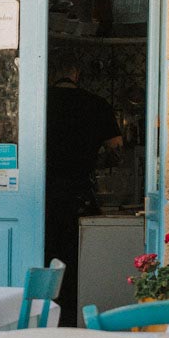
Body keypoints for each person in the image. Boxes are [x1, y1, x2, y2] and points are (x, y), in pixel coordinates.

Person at [44, 59, 122, 322]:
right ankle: (72, 313)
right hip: (79, 192)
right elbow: (116, 148)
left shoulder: (38, 100)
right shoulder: (97, 103)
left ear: (51, 74)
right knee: (74, 255)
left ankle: (45, 311)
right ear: (76, 73)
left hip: (43, 193)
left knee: (46, 253)